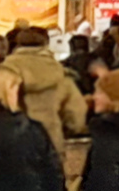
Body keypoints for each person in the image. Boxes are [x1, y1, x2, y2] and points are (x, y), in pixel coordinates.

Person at [6, 25, 87, 155]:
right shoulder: (60, 74)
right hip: (50, 143)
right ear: (46, 44)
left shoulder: (2, 72)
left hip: (11, 143)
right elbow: (75, 114)